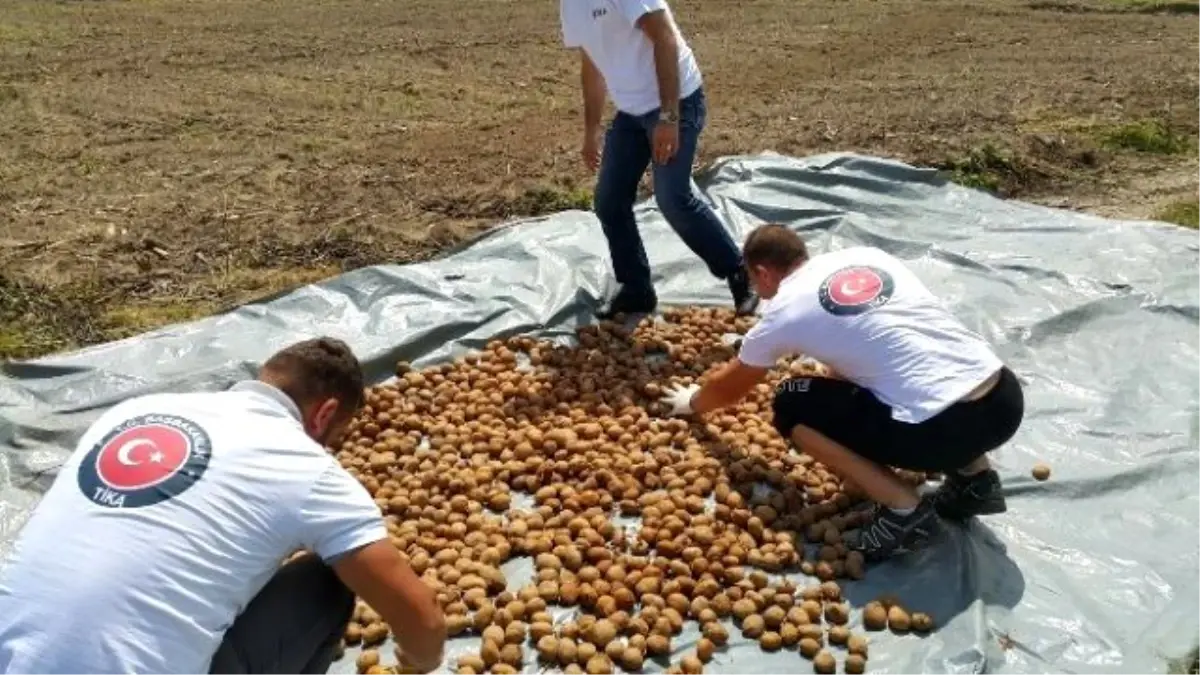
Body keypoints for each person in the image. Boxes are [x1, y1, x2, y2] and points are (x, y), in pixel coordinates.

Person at [0, 337, 447, 674]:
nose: (330, 448)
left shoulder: (133, 411)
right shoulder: (308, 470)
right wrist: (415, 662)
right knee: (325, 581)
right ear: (325, 415)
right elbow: (422, 622)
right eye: (336, 437)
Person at [658, 224, 1025, 562]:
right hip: (1003, 399)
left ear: (763, 272)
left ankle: (903, 511)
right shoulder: (866, 257)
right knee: (924, 378)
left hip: (942, 429)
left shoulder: (783, 310)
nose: (758, 293)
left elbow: (732, 385)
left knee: (791, 403)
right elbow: (879, 339)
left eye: (754, 283)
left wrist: (692, 402)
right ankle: (977, 482)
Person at [559, 0, 758, 319]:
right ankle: (637, 290)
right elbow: (592, 63)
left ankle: (738, 270)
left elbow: (664, 37)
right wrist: (591, 128)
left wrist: (669, 117)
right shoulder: (572, 4)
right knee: (609, 200)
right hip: (631, 109)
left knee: (672, 196)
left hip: (676, 98)